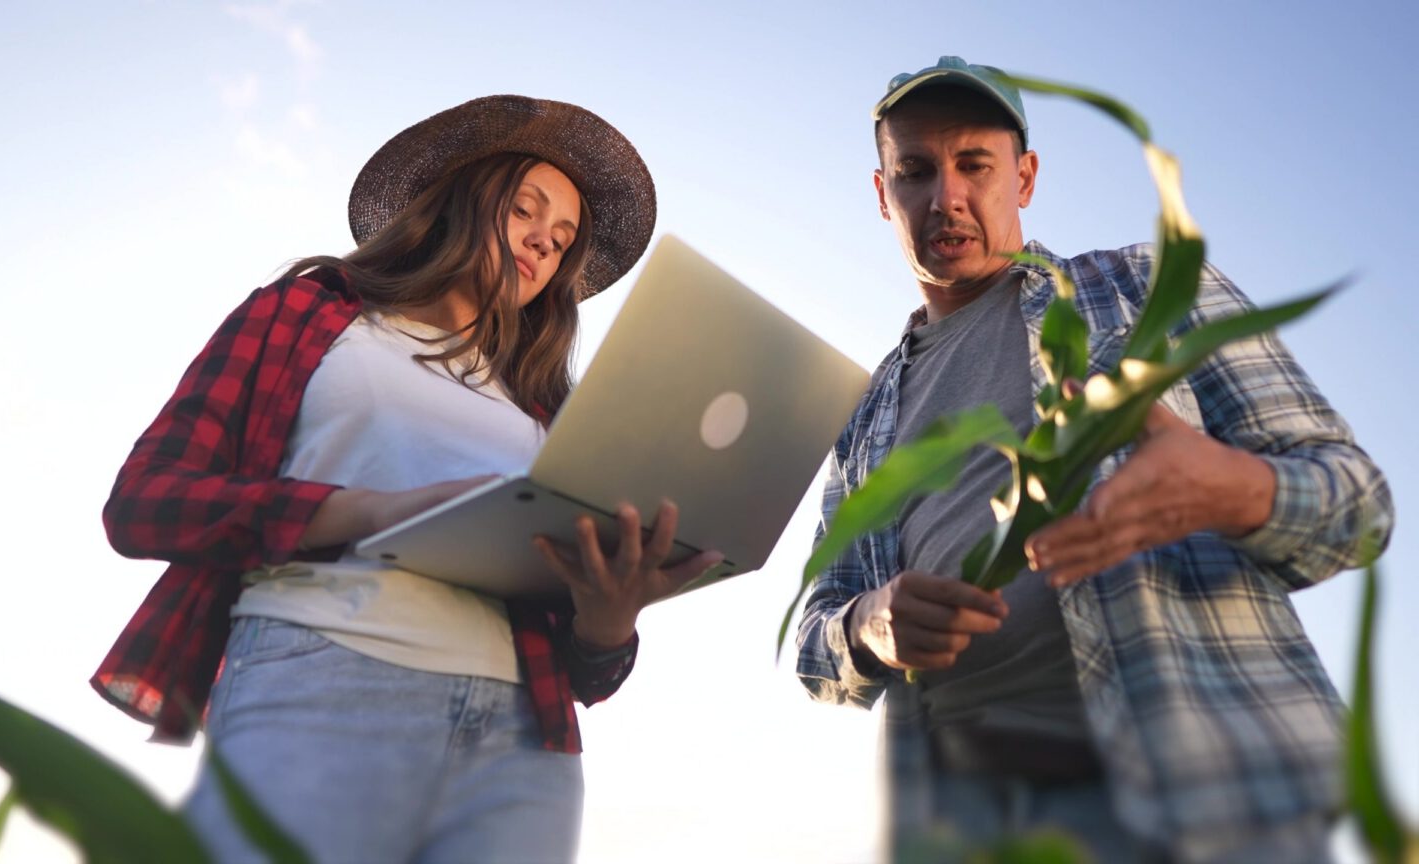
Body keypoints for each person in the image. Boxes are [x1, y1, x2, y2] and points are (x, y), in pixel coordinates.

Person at [93, 95, 722, 863]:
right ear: (461, 202)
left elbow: (589, 670)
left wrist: (609, 616)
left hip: (524, 743)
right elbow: (145, 503)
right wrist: (376, 511)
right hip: (321, 681)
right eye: (524, 209)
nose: (541, 244)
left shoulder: (547, 411)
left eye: (561, 242)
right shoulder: (309, 314)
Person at [796, 57, 1393, 864]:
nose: (947, 197)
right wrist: (870, 628)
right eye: (915, 172)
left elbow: (1358, 507)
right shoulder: (865, 414)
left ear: (1026, 176)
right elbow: (817, 627)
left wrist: (1230, 489)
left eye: (975, 164)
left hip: (1205, 804)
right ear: (882, 194)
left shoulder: (1145, 290)